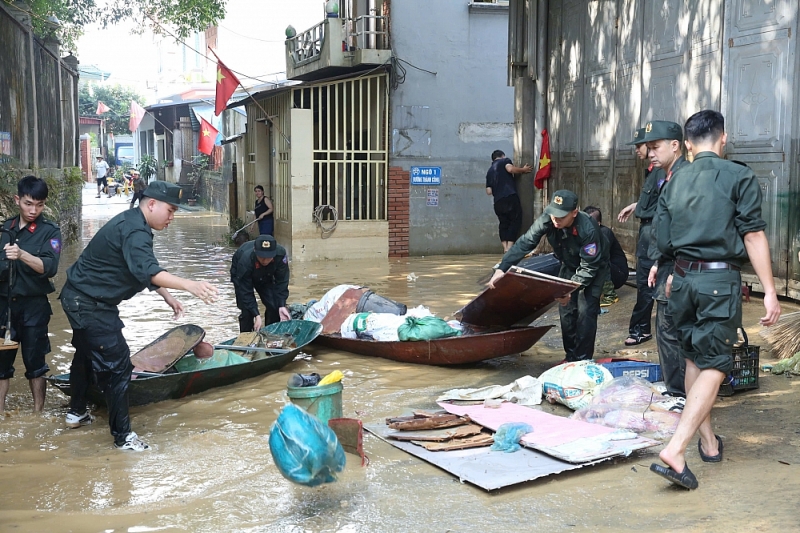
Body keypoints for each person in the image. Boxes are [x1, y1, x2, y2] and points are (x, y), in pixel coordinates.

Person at [650, 110, 781, 490]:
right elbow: (753, 236)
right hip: (718, 282)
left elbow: (663, 239)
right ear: (723, 139)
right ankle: (676, 448)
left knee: (694, 356)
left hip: (683, 279)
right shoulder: (738, 175)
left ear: (687, 144)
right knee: (717, 363)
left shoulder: (673, 180)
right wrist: (770, 291)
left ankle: (708, 444)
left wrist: (674, 267)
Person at [60, 181, 219, 451]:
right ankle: (123, 438)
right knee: (119, 368)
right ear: (152, 204)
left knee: (85, 354)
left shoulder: (133, 222)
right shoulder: (136, 230)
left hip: (78, 298)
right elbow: (148, 269)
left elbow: (139, 267)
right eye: (170, 210)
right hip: (90, 304)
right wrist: (190, 285)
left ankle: (77, 413)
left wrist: (167, 296)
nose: (172, 217)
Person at [488, 190, 610, 362]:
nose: (556, 219)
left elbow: (589, 266)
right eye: (553, 214)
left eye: (561, 216)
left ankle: (582, 360)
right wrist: (503, 268)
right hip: (568, 263)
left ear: (574, 213)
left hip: (592, 268)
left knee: (585, 311)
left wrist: (570, 288)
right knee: (567, 312)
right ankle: (570, 357)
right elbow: (526, 242)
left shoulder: (588, 229)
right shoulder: (549, 217)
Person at [0, 176, 61, 413]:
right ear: (17, 200)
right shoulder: (5, 229)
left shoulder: (50, 232)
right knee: (1, 366)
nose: (33, 210)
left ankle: (38, 414)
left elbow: (50, 267)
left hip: (34, 309)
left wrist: (22, 254)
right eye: (28, 204)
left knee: (36, 364)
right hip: (4, 308)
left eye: (39, 204)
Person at [642, 120, 690, 408]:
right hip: (669, 264)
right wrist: (658, 262)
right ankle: (679, 391)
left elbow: (688, 229)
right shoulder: (668, 176)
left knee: (672, 332)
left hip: (680, 269)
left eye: (655, 146)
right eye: (648, 148)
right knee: (668, 331)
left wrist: (677, 269)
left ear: (675, 145)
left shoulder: (683, 178)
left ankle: (681, 394)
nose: (650, 153)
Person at [617, 128, 665, 346]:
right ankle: (641, 328)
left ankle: (640, 329)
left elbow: (666, 207)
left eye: (641, 146)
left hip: (654, 233)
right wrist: (636, 206)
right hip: (647, 231)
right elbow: (655, 200)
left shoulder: (664, 172)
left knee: (648, 283)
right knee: (644, 283)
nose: (637, 150)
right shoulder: (653, 170)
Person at [231, 234, 291, 333]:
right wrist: (256, 315)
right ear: (255, 251)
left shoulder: (280, 255)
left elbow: (282, 281)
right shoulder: (245, 260)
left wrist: (281, 304)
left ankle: (271, 334)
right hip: (242, 275)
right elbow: (246, 291)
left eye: (268, 257)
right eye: (262, 257)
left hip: (266, 275)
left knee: (274, 305)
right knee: (247, 311)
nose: (265, 260)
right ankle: (246, 339)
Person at [485, 150, 533, 252]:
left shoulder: (489, 171)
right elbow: (510, 169)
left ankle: (505, 247)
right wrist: (523, 170)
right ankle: (510, 247)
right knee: (515, 220)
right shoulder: (504, 161)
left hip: (498, 201)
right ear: (502, 156)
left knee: (503, 224)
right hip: (509, 197)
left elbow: (489, 191)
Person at [583, 206, 627, 306]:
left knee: (598, 260)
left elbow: (597, 256)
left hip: (618, 274)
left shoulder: (604, 233)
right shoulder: (588, 232)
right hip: (608, 271)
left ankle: (610, 296)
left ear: (598, 223)